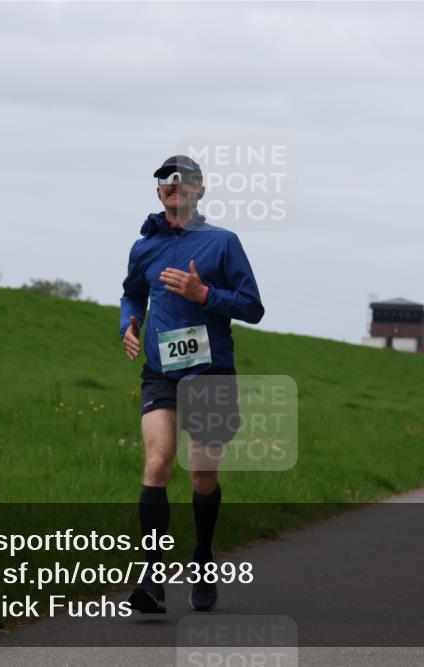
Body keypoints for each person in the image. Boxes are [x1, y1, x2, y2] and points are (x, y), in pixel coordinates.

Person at [120, 155, 264, 613]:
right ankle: (152, 576)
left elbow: (253, 306)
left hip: (211, 371)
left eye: (185, 183)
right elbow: (132, 292)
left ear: (200, 192)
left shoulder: (223, 243)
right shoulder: (144, 247)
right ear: (159, 191)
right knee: (158, 461)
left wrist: (203, 294)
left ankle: (202, 557)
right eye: (166, 182)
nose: (175, 188)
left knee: (202, 475)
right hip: (161, 371)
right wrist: (130, 322)